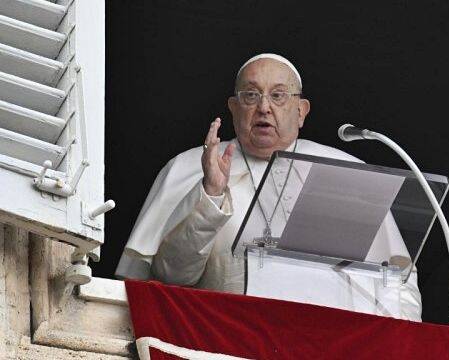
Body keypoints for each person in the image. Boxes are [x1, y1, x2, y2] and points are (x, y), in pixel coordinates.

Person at [116, 53, 422, 321]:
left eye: (279, 96)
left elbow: (397, 282)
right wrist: (211, 195)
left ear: (301, 111)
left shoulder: (348, 171)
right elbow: (168, 279)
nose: (264, 107)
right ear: (234, 108)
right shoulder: (190, 166)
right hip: (225, 344)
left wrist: (398, 343)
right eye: (251, 95)